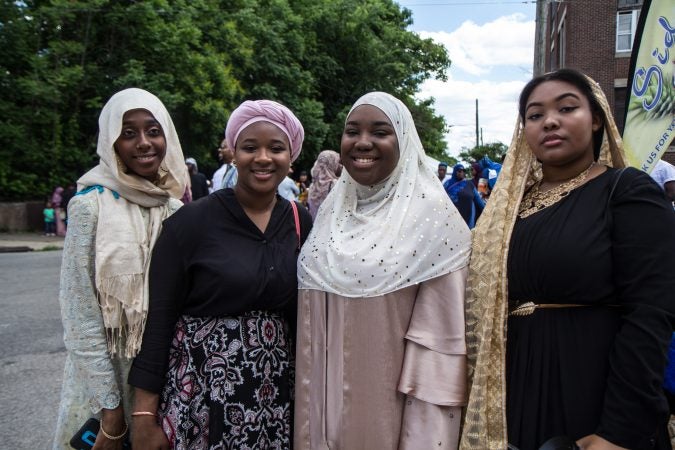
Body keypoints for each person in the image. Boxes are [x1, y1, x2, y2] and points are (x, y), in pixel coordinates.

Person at [460, 69, 675, 450]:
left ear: (596, 119)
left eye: (567, 108)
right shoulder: (505, 211)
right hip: (513, 389)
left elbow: (651, 312)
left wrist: (620, 430)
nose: (550, 121)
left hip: (593, 390)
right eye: (535, 114)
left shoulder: (626, 191)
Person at [128, 99, 311, 450]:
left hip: (276, 401)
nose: (262, 158)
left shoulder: (301, 221)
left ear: (291, 157)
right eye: (249, 147)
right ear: (233, 153)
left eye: (276, 148)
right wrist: (144, 417)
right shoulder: (190, 224)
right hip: (202, 397)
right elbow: (159, 321)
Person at [296, 92, 472, 449]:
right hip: (313, 423)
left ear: (404, 141)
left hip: (387, 428)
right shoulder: (332, 212)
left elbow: (437, 360)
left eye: (380, 132)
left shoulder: (434, 220)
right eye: (352, 131)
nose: (363, 142)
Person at [53, 88, 187, 449]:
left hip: (160, 382)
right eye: (129, 133)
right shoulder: (89, 206)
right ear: (111, 141)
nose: (144, 143)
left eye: (153, 131)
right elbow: (79, 312)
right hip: (102, 385)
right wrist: (110, 412)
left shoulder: (173, 209)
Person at [443, 163, 485, 229]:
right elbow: (442, 199)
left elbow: (479, 199)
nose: (462, 173)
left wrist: (486, 211)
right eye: (459, 171)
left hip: (468, 216)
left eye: (463, 171)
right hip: (451, 216)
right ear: (455, 171)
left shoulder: (472, 183)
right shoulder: (447, 183)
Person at [307, 149, 341, 220]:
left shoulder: (313, 186)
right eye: (338, 162)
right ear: (331, 165)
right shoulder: (335, 184)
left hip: (315, 227)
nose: (340, 166)